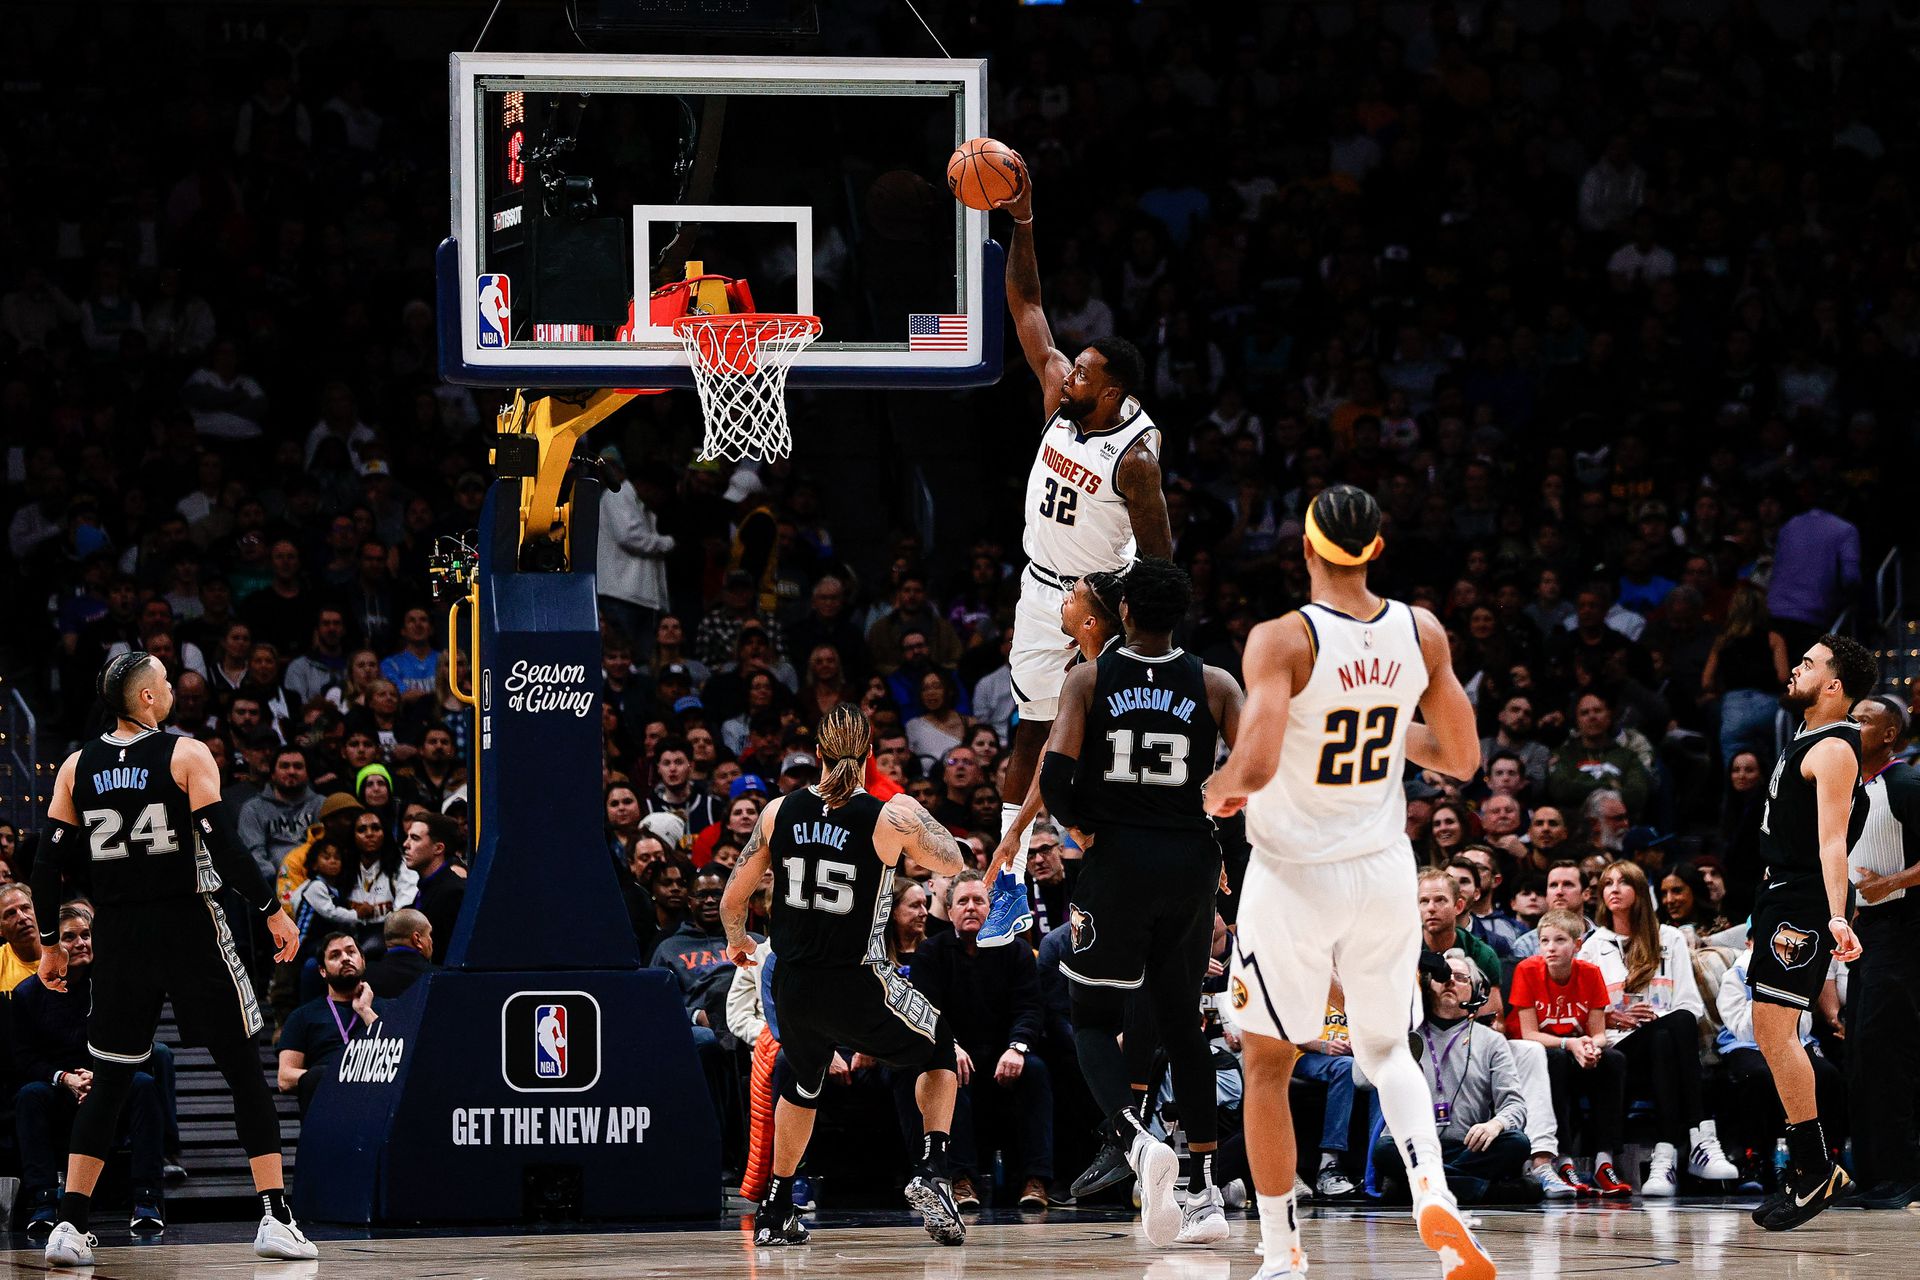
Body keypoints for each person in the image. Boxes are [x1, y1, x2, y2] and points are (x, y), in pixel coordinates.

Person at [1203, 485, 1494, 1280]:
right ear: (1375, 549)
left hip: (1295, 877)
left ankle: (1283, 1252)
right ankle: (1433, 1192)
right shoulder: (1421, 630)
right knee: (1385, 1047)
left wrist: (1214, 789)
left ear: (1305, 549)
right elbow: (1464, 760)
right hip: (1383, 871)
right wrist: (1388, 723)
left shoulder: (1280, 639)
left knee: (1268, 1063)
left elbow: (1256, 768)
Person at [32, 652, 315, 1264]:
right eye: (163, 680)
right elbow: (224, 842)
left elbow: (47, 862)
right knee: (243, 1067)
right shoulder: (187, 754)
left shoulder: (76, 766)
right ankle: (273, 1216)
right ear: (149, 701)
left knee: (109, 1081)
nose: (169, 686)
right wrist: (271, 909)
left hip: (119, 936)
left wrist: (53, 944)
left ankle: (68, 1226)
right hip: (191, 926)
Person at [1019, 555, 1242, 1245]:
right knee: (1182, 1026)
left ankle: (1135, 1139)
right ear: (1180, 615)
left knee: (1091, 1016)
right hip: (1190, 862)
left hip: (1117, 861)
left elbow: (1054, 778)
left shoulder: (1089, 679)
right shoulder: (1214, 682)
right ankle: (1205, 1197)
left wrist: (1087, 825)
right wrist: (1226, 857)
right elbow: (1251, 775)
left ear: (1126, 615)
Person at [982, 159, 1173, 949]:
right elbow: (1026, 304)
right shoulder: (1062, 396)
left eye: (1085, 375)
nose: (1068, 377)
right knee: (1026, 738)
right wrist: (1022, 220)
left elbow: (1161, 562)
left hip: (1102, 600)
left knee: (1094, 744)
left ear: (1116, 391)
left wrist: (1131, 632)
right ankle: (1012, 886)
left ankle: (1125, 872)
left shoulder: (1136, 457)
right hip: (1039, 591)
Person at [720, 703, 970, 1247]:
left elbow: (733, 897)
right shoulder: (888, 814)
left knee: (804, 1082)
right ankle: (933, 1169)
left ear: (816, 755)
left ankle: (777, 1205)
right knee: (938, 1047)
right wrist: (908, 805)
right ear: (871, 757)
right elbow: (952, 862)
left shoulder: (776, 812)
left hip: (792, 985)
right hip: (856, 980)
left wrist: (739, 941)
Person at [1745, 635, 1877, 1228]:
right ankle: (1815, 1167)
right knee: (1768, 1031)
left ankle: (1813, 1170)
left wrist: (1836, 914)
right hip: (1780, 894)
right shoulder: (1806, 735)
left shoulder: (1835, 751)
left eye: (1809, 663)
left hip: (1802, 901)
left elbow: (1831, 841)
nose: (1795, 668)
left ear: (1834, 685)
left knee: (1777, 1032)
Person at [1577, 860, 1738, 1196]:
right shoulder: (1593, 946)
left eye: (1623, 883)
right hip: (1618, 1047)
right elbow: (1582, 1014)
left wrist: (1658, 1019)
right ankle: (1699, 1136)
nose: (1614, 890)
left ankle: (1665, 1157)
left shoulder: (1670, 938)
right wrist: (1608, 1018)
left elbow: (1690, 1004)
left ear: (1639, 891)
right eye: (1608, 884)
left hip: (1666, 1042)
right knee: (1672, 1028)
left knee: (1670, 1029)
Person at [13, 904, 169, 1235]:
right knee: (29, 1096)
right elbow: (24, 1058)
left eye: (87, 935)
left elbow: (138, 1041)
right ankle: (43, 1203)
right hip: (62, 1090)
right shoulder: (28, 993)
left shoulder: (115, 985)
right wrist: (66, 1078)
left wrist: (104, 1076)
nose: (82, 942)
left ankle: (146, 1200)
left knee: (142, 1084)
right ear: (52, 944)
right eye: (70, 937)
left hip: (111, 1081)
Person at [910, 871, 1055, 1215]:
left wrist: (1018, 1047)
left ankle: (1036, 1180)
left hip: (1004, 1051)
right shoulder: (931, 952)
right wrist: (948, 1046)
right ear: (949, 909)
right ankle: (961, 1180)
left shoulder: (1017, 951)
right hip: (954, 1051)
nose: (971, 907)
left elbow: (1030, 1008)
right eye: (963, 901)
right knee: (945, 1076)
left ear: (992, 909)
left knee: (1036, 1071)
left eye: (979, 901)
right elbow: (925, 1011)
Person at [1373, 950, 1528, 1204]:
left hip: (1471, 1148)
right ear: (1426, 985)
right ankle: (1482, 1191)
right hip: (1417, 1146)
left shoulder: (1492, 1041)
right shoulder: (1405, 1036)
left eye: (1460, 977)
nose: (1450, 981)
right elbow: (1360, 1079)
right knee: (1384, 1151)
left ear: (1476, 991)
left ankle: (1419, 1187)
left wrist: (1494, 1125)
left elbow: (1515, 1106)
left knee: (1517, 1143)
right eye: (1442, 975)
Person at [1843, 694, 1920, 1204]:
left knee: (1890, 1050)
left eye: (1862, 720)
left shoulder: (1907, 782)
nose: (1851, 725)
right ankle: (1872, 1174)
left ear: (1889, 733)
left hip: (1905, 929)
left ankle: (1905, 1174)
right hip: (1868, 929)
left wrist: (1890, 882)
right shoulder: (1854, 788)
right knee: (1862, 1053)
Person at [1508, 909, 1631, 1197]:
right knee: (1555, 1059)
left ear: (1577, 945)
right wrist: (1571, 1044)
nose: (1550, 947)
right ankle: (1562, 1158)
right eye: (1544, 941)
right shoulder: (1527, 970)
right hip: (1540, 1055)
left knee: (1614, 1060)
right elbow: (1529, 1034)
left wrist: (1590, 1046)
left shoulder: (1590, 973)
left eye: (1559, 940)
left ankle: (1604, 1160)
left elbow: (1599, 1033)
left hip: (1577, 1052)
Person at [275, 931, 386, 1113]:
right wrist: (338, 1075)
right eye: (335, 955)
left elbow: (399, 1061)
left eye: (351, 952)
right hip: (327, 1104)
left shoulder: (388, 1009)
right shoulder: (302, 1016)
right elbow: (285, 1078)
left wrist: (365, 1011)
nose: (345, 958)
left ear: (363, 961)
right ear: (322, 971)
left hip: (374, 1103)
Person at [400, 813, 465, 950]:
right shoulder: (426, 889)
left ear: (438, 848)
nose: (406, 844)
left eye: (415, 838)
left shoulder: (452, 892)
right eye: (407, 837)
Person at [364, 908, 432, 997]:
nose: (431, 940)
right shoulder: (437, 976)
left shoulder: (364, 977)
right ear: (417, 939)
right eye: (429, 934)